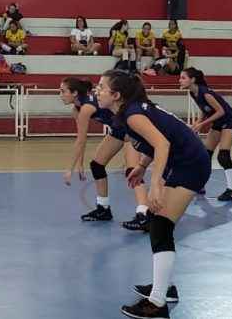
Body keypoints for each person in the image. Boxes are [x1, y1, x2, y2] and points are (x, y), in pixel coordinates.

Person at [96, 70, 211, 318]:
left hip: (190, 165)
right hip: (183, 162)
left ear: (116, 95)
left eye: (101, 87)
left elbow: (163, 144)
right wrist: (142, 166)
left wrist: (156, 183)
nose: (97, 90)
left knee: (159, 224)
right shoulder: (130, 110)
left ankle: (157, 303)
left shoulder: (133, 114)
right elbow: (158, 140)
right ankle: (163, 288)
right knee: (158, 224)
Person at [59, 77, 151, 231]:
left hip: (130, 129)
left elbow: (80, 141)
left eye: (63, 91)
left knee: (132, 171)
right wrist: (80, 164)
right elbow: (81, 138)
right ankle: (103, 209)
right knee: (97, 165)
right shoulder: (76, 110)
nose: (60, 94)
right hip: (117, 130)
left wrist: (70, 168)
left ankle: (144, 213)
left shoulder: (86, 108)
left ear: (74, 93)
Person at [180, 67, 232, 201]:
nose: (180, 80)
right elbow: (204, 108)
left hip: (229, 120)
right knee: (205, 156)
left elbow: (221, 111)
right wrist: (198, 121)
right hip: (218, 122)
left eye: (183, 78)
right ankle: (200, 185)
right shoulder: (192, 92)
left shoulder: (206, 93)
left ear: (193, 80)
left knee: (223, 156)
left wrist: (202, 124)